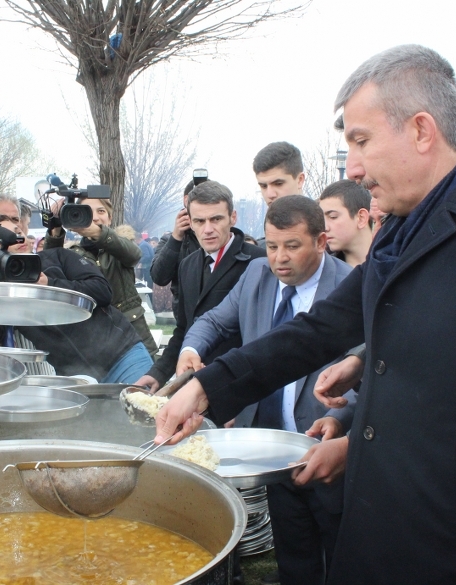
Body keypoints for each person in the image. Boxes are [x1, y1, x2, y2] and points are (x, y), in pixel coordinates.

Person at [155, 44, 456, 585]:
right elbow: (318, 331)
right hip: (369, 540)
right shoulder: (404, 233)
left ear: (421, 130)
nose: (354, 168)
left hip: (453, 557)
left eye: (361, 142)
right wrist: (208, 387)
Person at [176, 195, 355, 585]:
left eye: (292, 246)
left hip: (328, 450)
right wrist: (191, 350)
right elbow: (215, 322)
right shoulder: (256, 274)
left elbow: (365, 367)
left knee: (342, 556)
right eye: (272, 246)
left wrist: (340, 418)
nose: (279, 258)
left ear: (321, 242)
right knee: (294, 556)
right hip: (272, 452)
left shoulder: (348, 286)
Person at [0, 200, 153, 383]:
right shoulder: (3, 291)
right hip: (76, 375)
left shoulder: (57, 257)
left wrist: (50, 284)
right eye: (6, 237)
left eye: (18, 232)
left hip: (123, 355)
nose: (17, 239)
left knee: (141, 408)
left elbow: (103, 291)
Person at [135, 181, 265, 392]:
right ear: (190, 223)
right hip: (194, 384)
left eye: (216, 219)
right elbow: (184, 329)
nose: (208, 229)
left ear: (233, 217)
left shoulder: (259, 262)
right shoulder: (187, 265)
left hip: (242, 388)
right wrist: (157, 374)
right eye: (200, 221)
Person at [44, 197, 159, 358]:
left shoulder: (122, 246)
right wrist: (55, 229)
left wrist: (98, 233)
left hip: (133, 334)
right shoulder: (72, 254)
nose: (95, 217)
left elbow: (134, 255)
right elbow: (50, 264)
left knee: (146, 382)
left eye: (101, 211)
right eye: (88, 212)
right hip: (93, 341)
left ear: (110, 218)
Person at [150, 180, 201, 320]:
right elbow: (159, 277)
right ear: (186, 201)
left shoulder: (218, 237)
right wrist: (177, 237)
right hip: (186, 317)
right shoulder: (171, 240)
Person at [318, 180, 373, 268]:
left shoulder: (395, 264)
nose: (325, 228)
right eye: (322, 219)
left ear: (361, 218)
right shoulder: (320, 271)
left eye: (333, 217)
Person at [252, 142, 305, 206]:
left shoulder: (318, 215)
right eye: (264, 186)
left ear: (300, 180)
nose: (270, 194)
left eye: (278, 184)